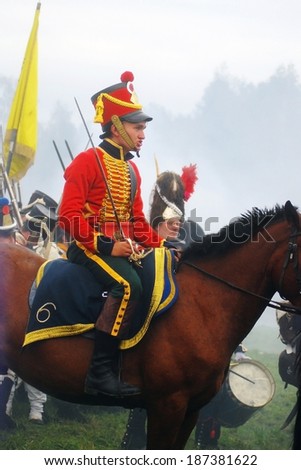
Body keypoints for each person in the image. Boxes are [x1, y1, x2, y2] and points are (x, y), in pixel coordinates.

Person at [58, 71, 177, 398]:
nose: (143, 135)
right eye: (138, 127)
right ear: (116, 127)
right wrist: (107, 245)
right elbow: (67, 216)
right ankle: (99, 375)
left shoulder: (132, 169)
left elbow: (138, 222)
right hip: (88, 248)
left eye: (144, 128)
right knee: (128, 285)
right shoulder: (87, 162)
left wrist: (163, 245)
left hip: (119, 249)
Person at [120, 166, 200, 449]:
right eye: (171, 218)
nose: (176, 224)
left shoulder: (193, 235)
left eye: (178, 219)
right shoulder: (143, 229)